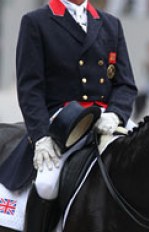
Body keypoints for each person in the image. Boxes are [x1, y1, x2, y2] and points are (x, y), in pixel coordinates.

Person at [0, 0, 137, 231]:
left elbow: (125, 84)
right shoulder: (37, 22)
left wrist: (116, 114)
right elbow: (30, 88)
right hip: (64, 119)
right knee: (46, 184)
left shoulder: (110, 24)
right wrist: (41, 136)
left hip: (108, 119)